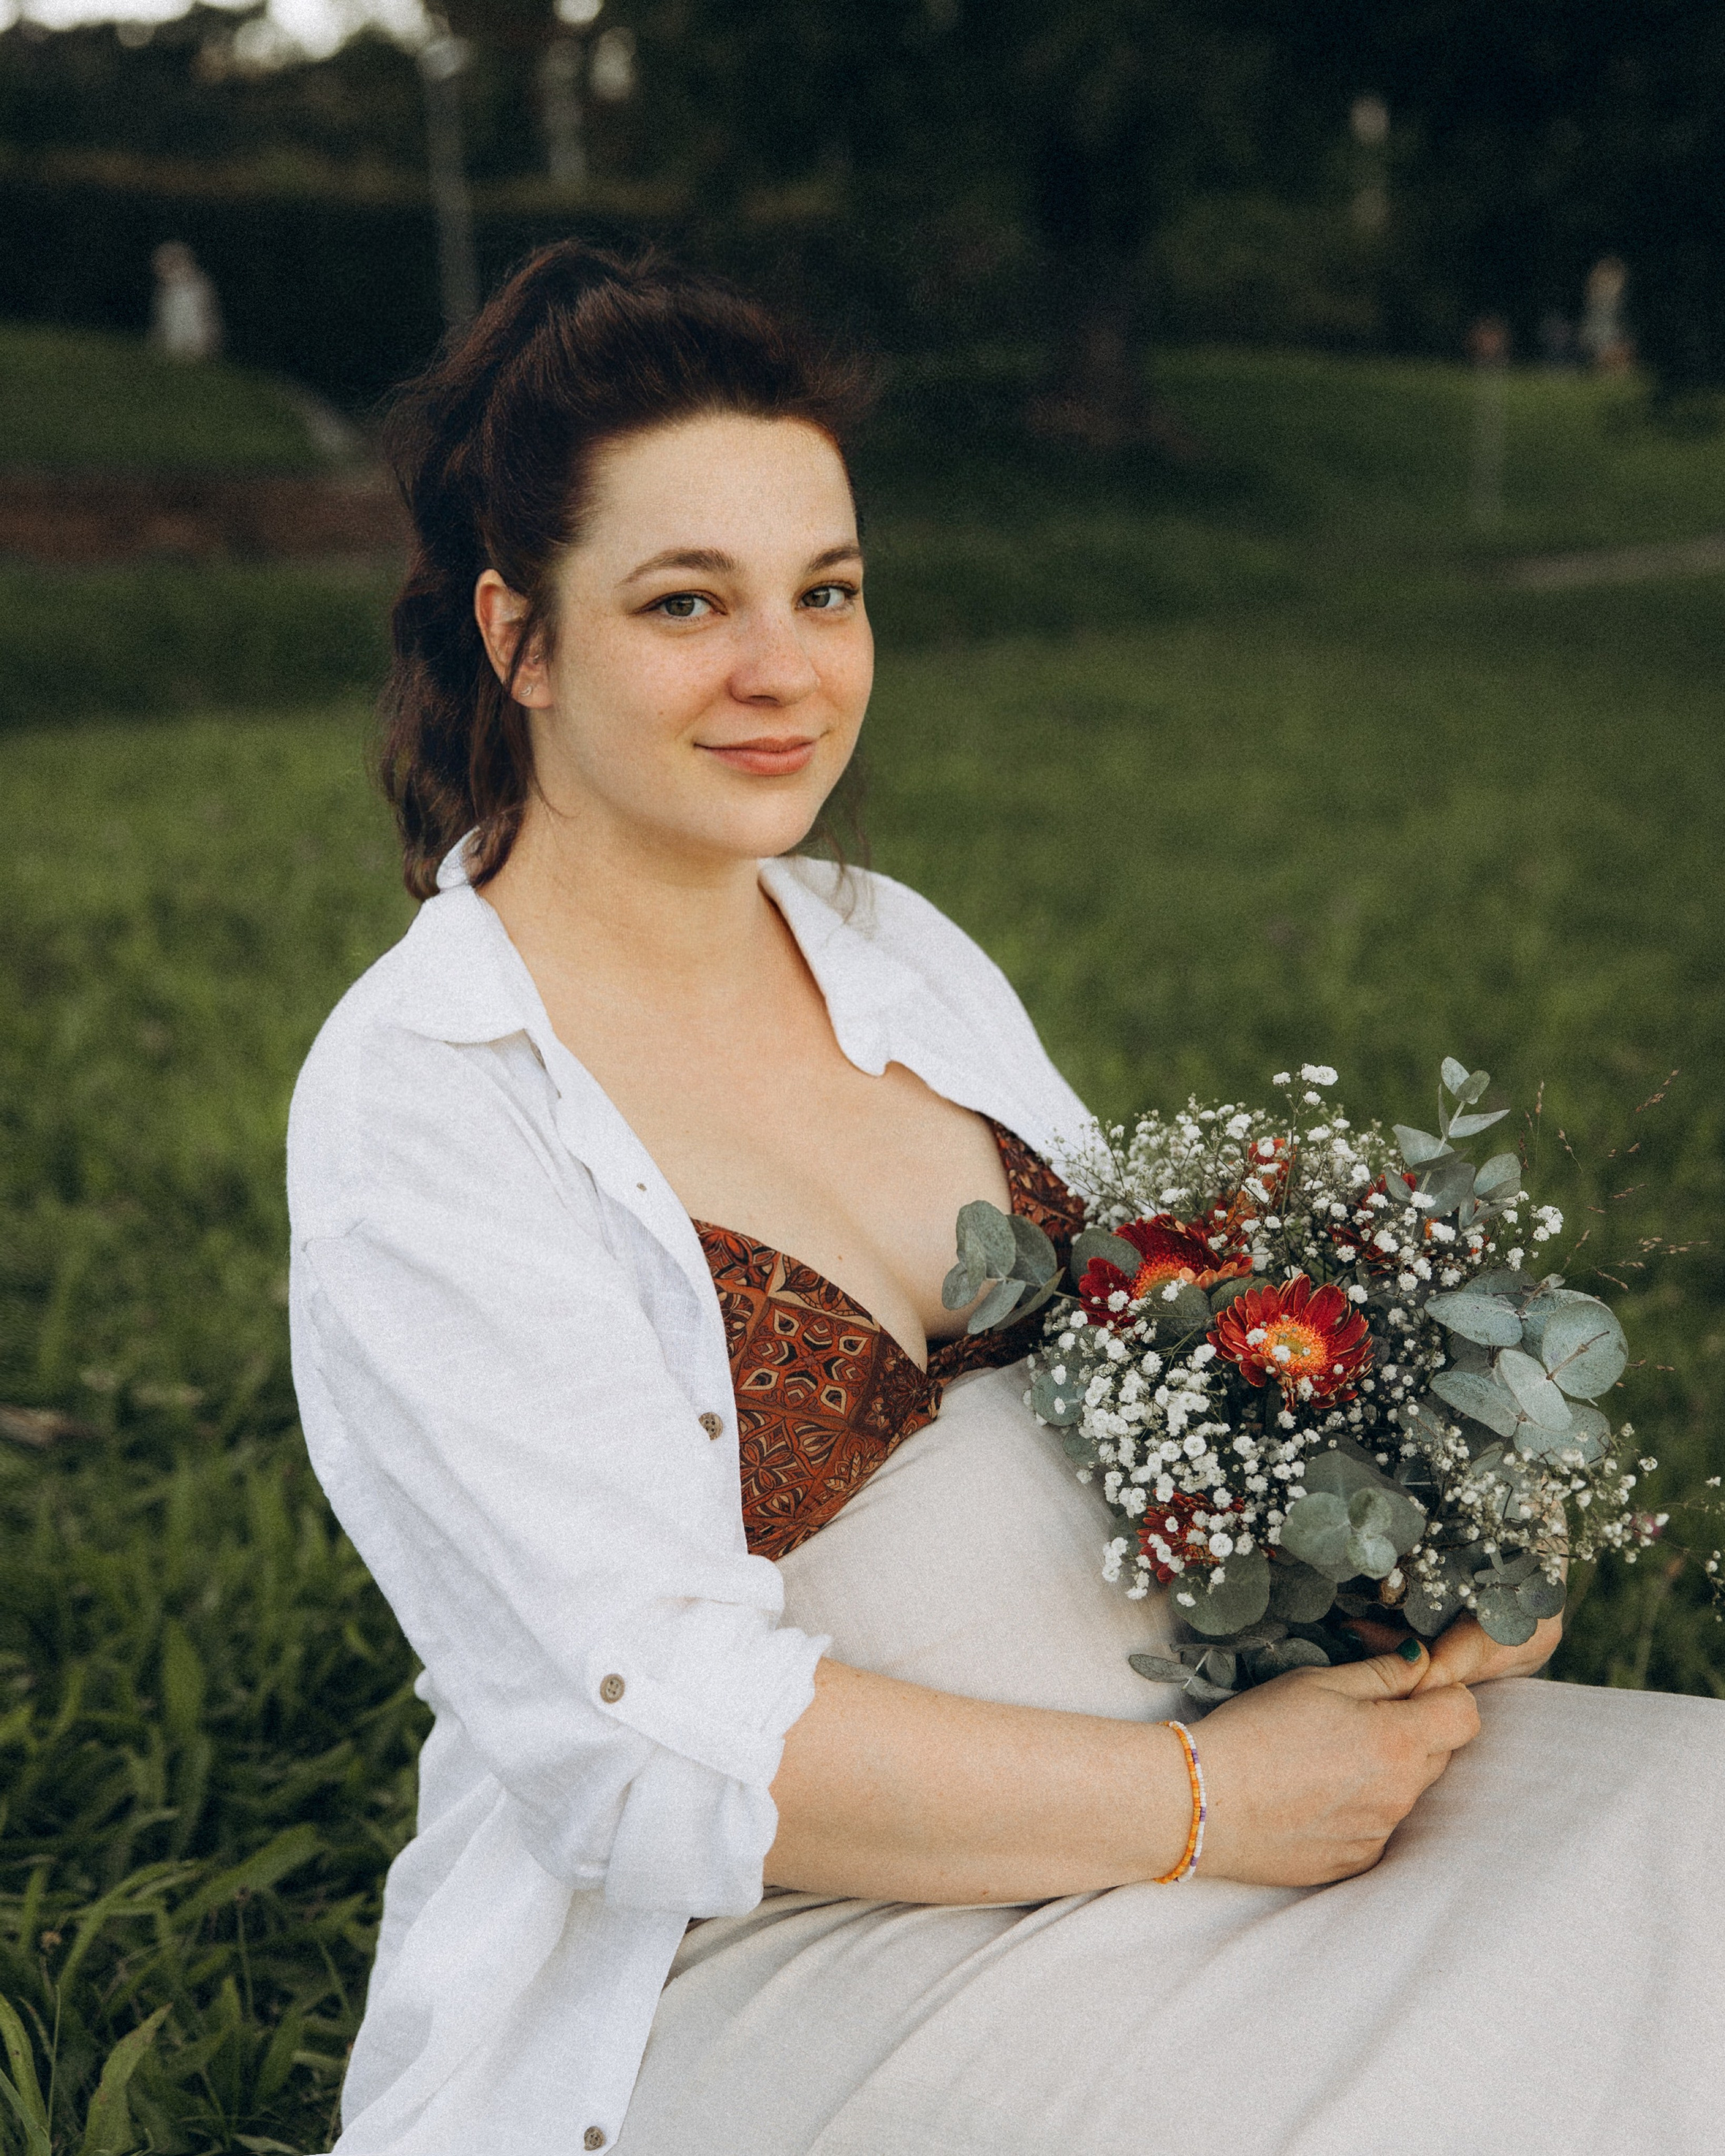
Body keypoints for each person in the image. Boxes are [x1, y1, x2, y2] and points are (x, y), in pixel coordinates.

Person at [286, 244, 1725, 2156]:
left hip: (1220, 1785)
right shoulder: (432, 1104)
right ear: (519, 639)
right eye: (684, 601)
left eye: (829, 591)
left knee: (1694, 1845)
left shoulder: (895, 951)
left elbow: (1177, 1360)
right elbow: (642, 1742)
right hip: (830, 1945)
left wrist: (1397, 1552)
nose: (783, 669)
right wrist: (1208, 1808)